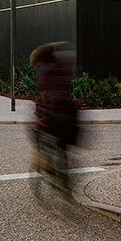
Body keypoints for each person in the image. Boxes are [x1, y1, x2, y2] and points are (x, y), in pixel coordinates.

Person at [29, 43, 79, 187]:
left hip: (52, 116)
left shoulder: (43, 71)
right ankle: (64, 174)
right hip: (68, 117)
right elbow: (67, 89)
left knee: (35, 130)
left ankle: (43, 160)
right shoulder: (63, 68)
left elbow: (45, 96)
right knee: (63, 144)